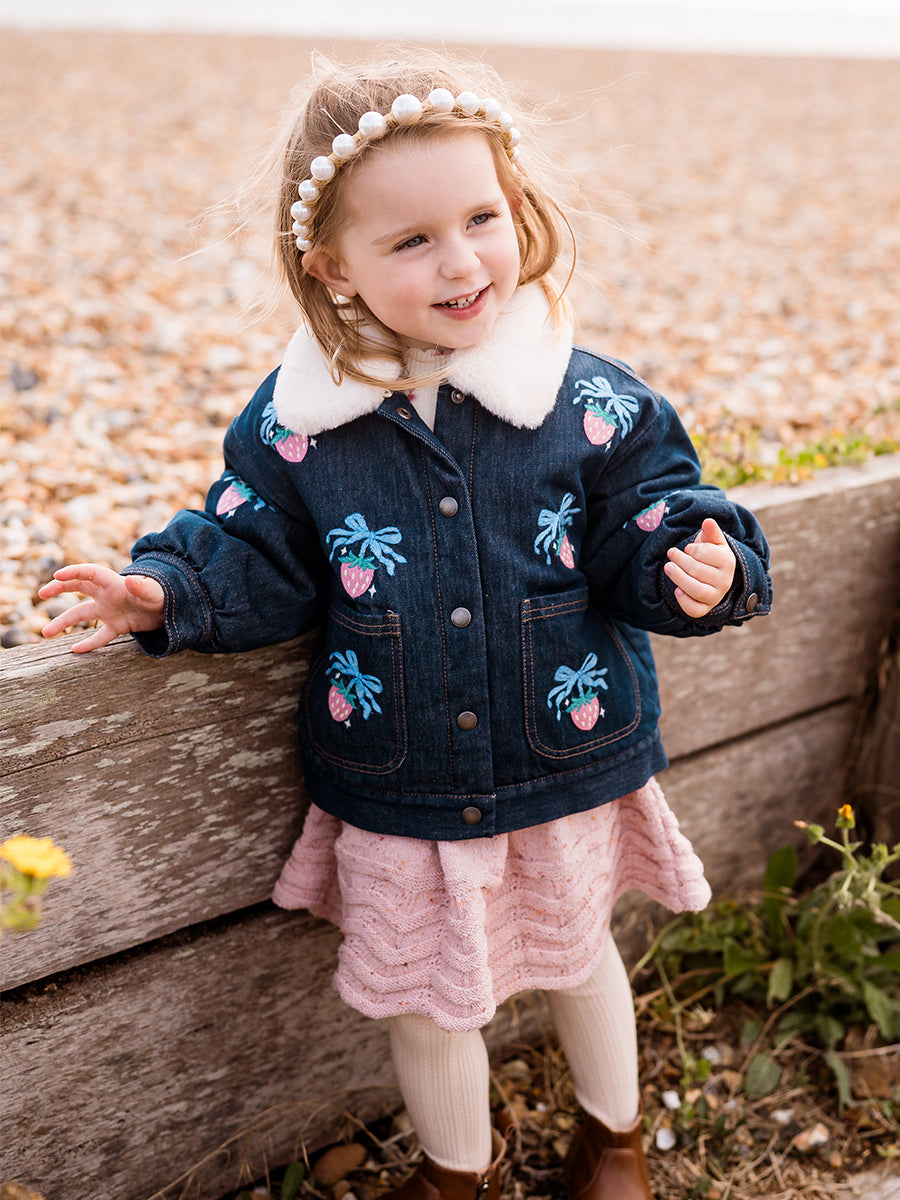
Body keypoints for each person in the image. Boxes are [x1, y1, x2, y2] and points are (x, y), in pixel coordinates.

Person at [39, 49, 772, 1200]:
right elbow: (257, 550)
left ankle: (615, 1145)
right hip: (404, 777)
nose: (461, 260)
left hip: (565, 753)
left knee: (581, 955)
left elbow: (653, 517)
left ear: (517, 205)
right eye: (412, 240)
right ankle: (455, 1172)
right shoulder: (299, 427)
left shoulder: (592, 401)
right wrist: (168, 592)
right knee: (428, 997)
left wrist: (701, 566)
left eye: (480, 218)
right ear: (332, 267)